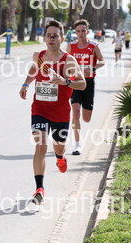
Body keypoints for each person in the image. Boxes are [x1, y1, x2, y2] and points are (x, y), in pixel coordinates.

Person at [19, 19, 86, 204]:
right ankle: (39, 189)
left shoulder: (68, 60)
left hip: (60, 112)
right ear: (45, 38)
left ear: (61, 39)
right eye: (48, 35)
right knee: (40, 144)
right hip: (39, 108)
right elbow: (34, 69)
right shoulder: (39, 56)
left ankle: (60, 157)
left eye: (55, 36)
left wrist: (65, 81)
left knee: (59, 146)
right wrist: (26, 84)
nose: (51, 38)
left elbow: (82, 83)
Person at [68, 19, 105, 155]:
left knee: (86, 118)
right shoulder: (71, 46)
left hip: (88, 83)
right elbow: (65, 62)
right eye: (78, 31)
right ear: (75, 32)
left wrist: (93, 68)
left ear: (87, 32)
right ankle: (77, 144)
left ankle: (79, 139)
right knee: (75, 113)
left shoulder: (94, 46)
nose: (81, 33)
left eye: (83, 31)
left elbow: (102, 61)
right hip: (75, 82)